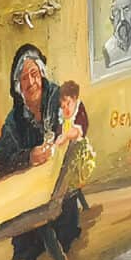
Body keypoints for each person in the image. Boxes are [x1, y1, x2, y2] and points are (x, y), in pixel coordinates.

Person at [0, 44, 81, 260]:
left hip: (60, 185)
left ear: (42, 74)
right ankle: (35, 244)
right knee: (27, 244)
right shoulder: (15, 119)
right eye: (23, 78)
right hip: (30, 192)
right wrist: (29, 156)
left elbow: (77, 125)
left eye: (34, 74)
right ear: (17, 87)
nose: (31, 83)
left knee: (62, 231)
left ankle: (57, 238)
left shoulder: (58, 98)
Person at [54, 79, 95, 211]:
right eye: (63, 106)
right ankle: (72, 202)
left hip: (80, 151)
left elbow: (77, 131)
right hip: (68, 150)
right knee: (61, 171)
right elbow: (60, 130)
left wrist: (65, 136)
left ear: (75, 98)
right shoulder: (63, 115)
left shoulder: (79, 111)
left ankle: (70, 204)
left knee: (70, 177)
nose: (66, 108)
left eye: (68, 103)